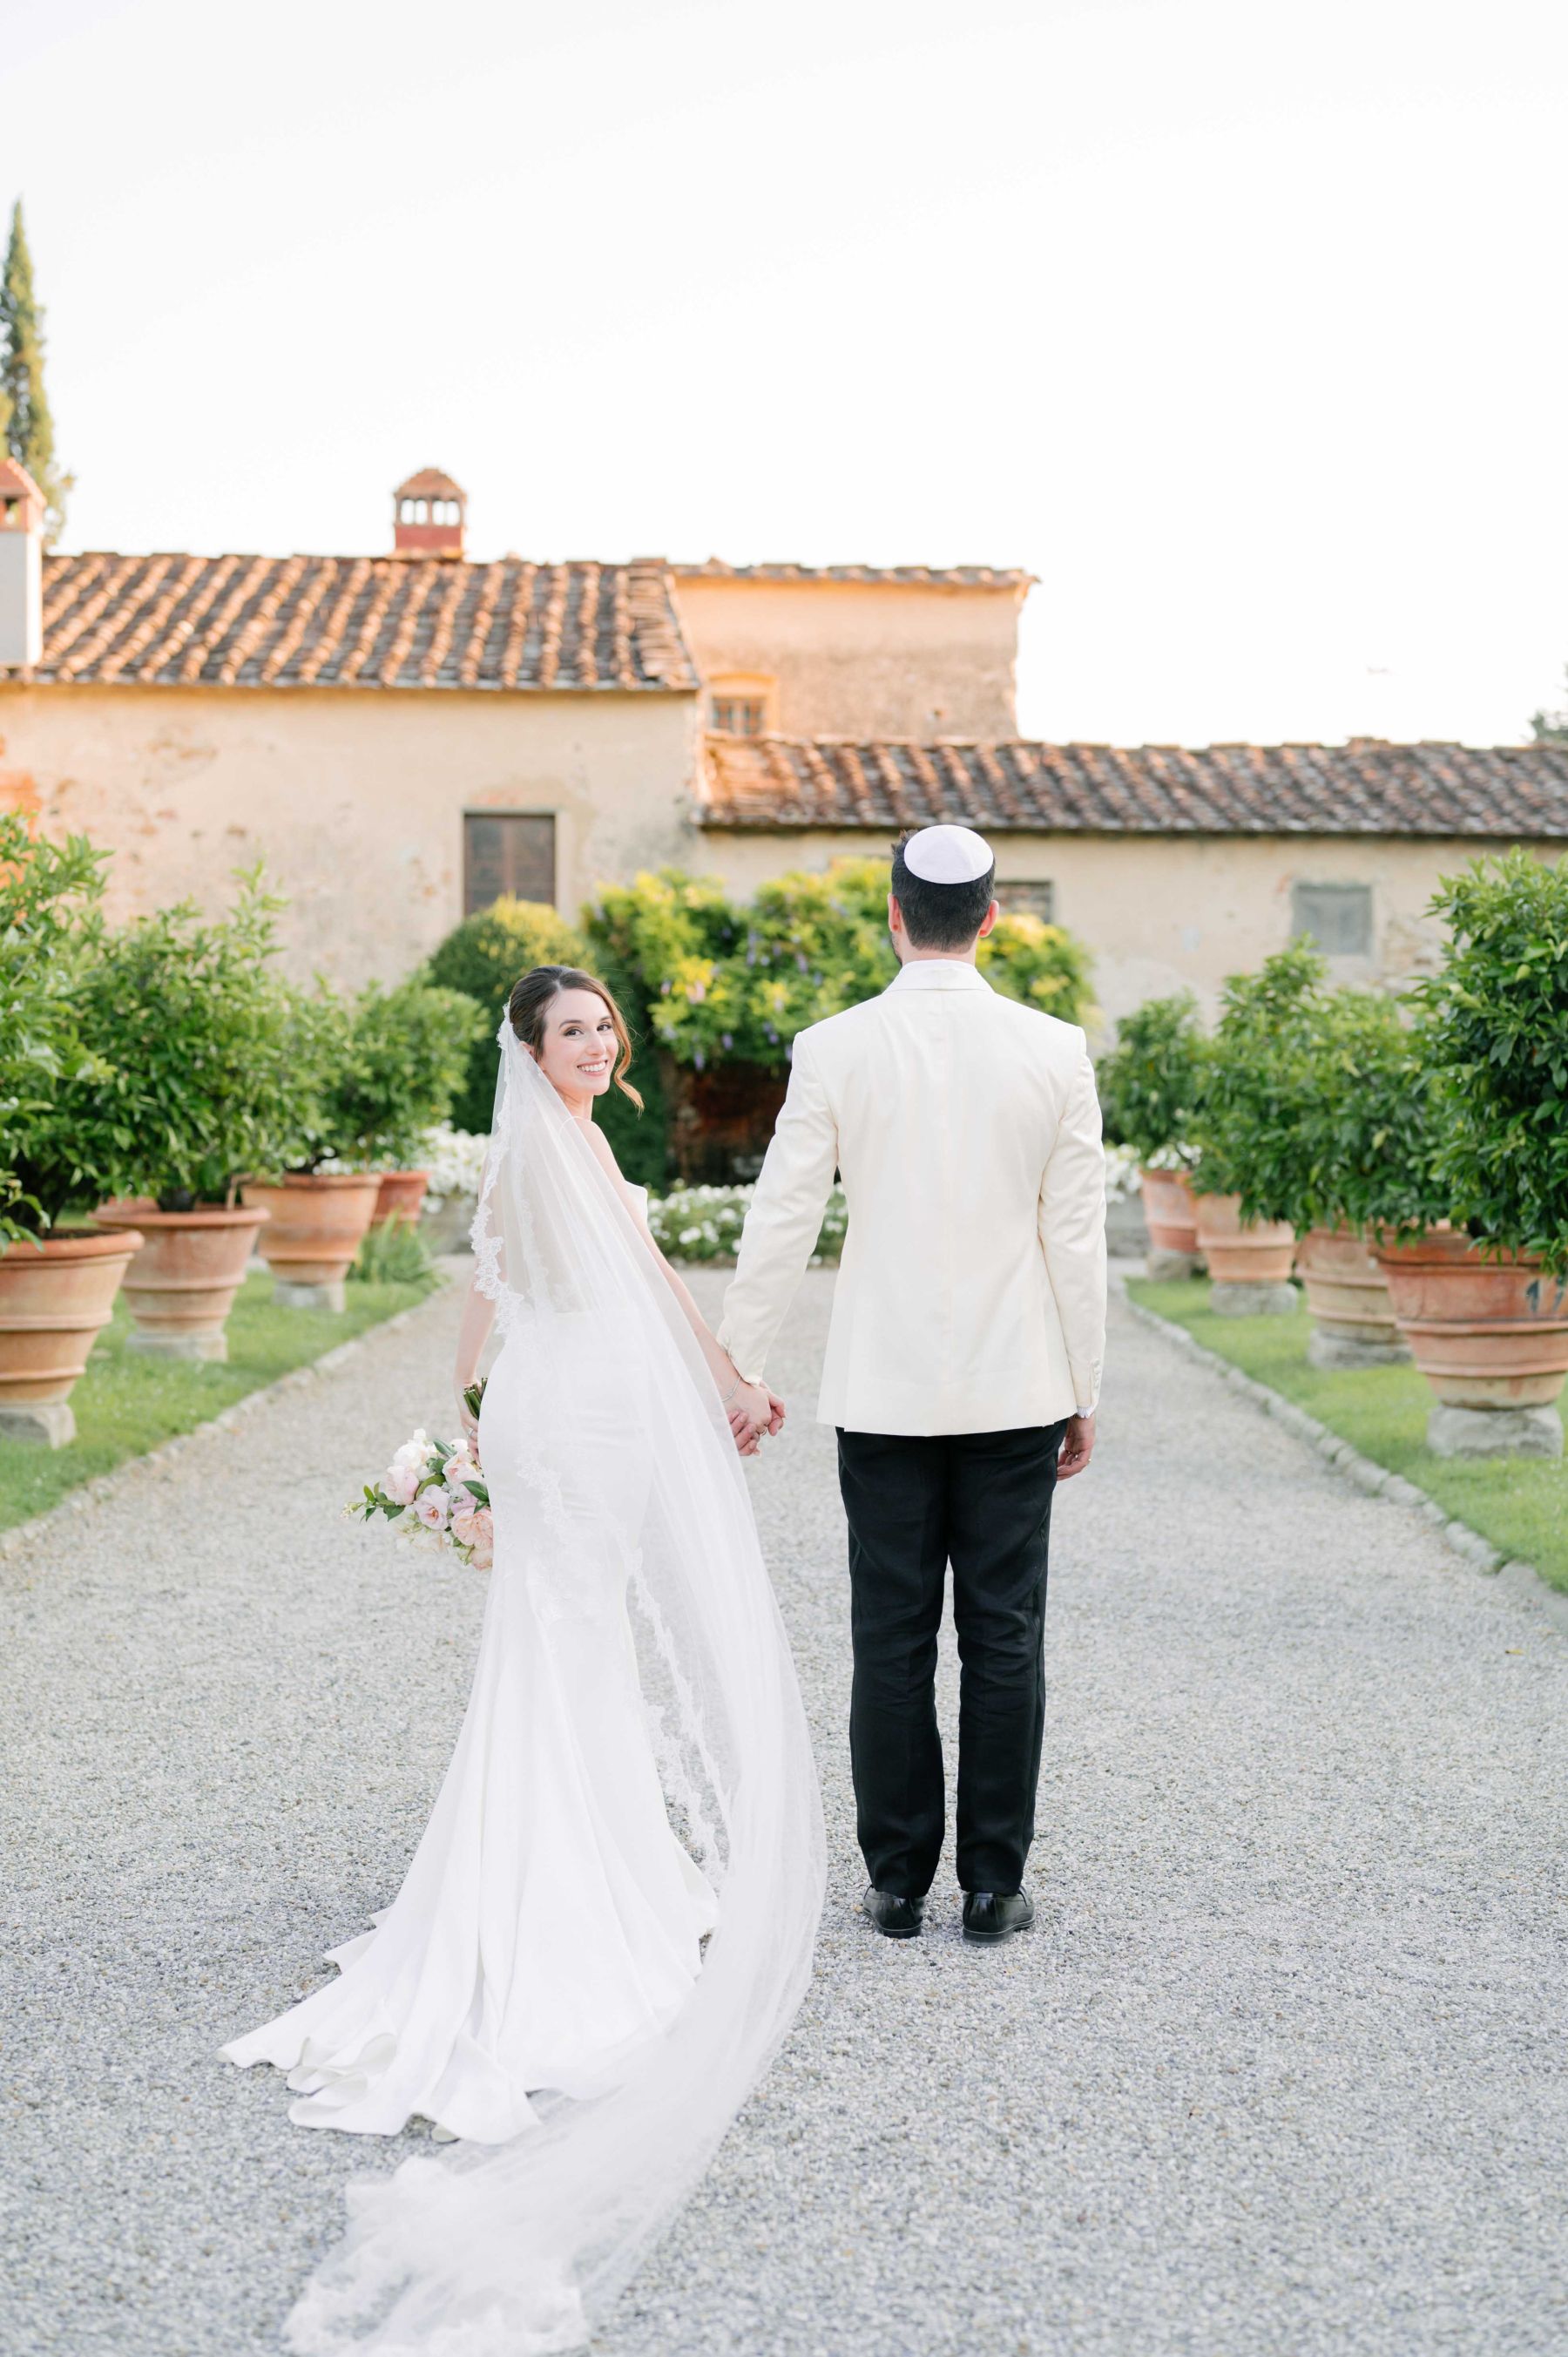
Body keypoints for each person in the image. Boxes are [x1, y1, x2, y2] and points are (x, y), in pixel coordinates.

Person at [221, 965, 824, 2355]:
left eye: (604, 1024)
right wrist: (488, 1433)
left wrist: (721, 1377)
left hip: (578, 1403)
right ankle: (563, 1896)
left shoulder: (583, 1138)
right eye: (571, 1031)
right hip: (578, 1413)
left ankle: (596, 1860)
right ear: (530, 1049)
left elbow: (607, 1285)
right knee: (567, 1635)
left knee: (576, 1641)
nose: (597, 1042)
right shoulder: (540, 1151)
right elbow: (518, 1302)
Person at [718, 826, 1106, 1947]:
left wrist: (747, 1362)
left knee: (888, 1637)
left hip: (881, 1390)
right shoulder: (1054, 1047)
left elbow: (783, 1213)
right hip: (1017, 1387)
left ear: (894, 913)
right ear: (993, 918)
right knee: (1005, 1633)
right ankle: (992, 1885)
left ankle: (895, 1885)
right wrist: (1086, 1384)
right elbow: (1073, 1237)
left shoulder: (835, 1045)